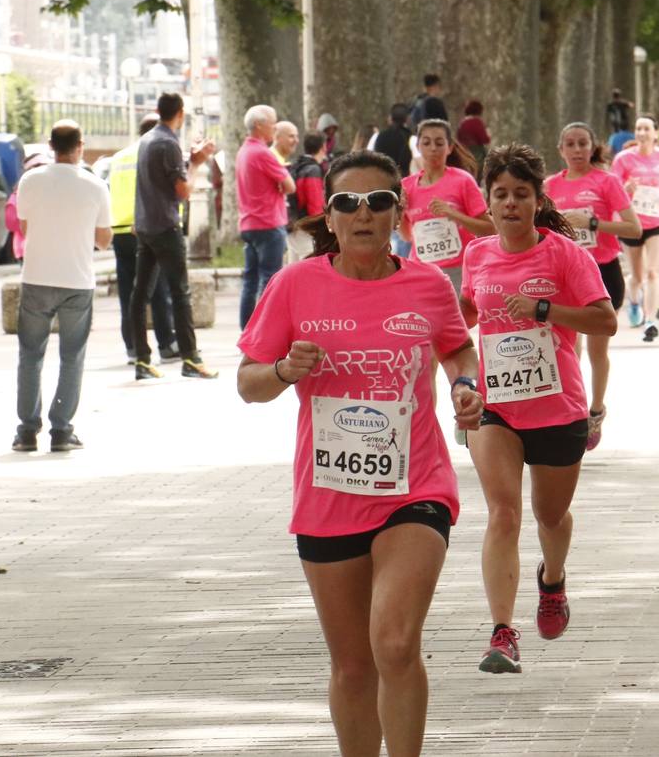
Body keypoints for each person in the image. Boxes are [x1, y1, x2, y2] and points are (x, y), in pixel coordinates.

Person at [237, 149, 483, 756]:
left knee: (394, 643)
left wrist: (464, 384)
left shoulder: (428, 284)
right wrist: (284, 370)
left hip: (415, 487)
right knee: (353, 666)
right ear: (329, 216)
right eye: (348, 202)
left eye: (379, 201)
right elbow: (248, 384)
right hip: (329, 496)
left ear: (399, 212)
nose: (363, 213)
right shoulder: (294, 285)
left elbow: (458, 348)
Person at [460, 143, 617, 673]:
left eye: (521, 194)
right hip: (496, 407)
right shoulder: (477, 254)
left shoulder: (564, 255)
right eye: (500, 194)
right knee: (503, 513)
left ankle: (552, 580)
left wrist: (544, 309)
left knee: (549, 515)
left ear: (537, 201)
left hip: (557, 408)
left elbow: (605, 320)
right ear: (487, 201)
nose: (510, 203)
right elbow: (466, 314)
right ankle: (502, 633)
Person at [12, 120, 113, 453]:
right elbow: (103, 240)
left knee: (30, 356)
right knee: (72, 357)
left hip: (36, 278)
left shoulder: (30, 180)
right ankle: (61, 430)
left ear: (50, 145)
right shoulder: (95, 185)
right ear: (80, 146)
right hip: (77, 280)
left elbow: (24, 228)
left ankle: (27, 431)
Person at [543, 122, 641, 451]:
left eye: (583, 143)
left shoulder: (606, 181)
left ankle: (596, 410)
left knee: (598, 350)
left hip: (602, 271)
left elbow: (634, 228)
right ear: (560, 150)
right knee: (568, 348)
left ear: (592, 146)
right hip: (564, 275)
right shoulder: (550, 186)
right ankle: (573, 410)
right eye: (570, 144)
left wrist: (593, 223)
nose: (577, 150)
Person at [129, 91, 218, 381]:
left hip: (145, 226)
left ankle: (142, 359)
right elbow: (183, 191)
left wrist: (190, 158)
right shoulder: (168, 143)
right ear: (180, 113)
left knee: (140, 294)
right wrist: (197, 163)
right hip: (165, 226)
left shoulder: (147, 139)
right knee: (180, 292)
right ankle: (191, 358)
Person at [106, 113, 179, 365]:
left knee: (129, 293)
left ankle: (133, 348)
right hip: (147, 227)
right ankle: (166, 344)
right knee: (158, 291)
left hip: (120, 230)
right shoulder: (153, 153)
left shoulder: (119, 157)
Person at [610, 115, 659, 342]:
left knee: (652, 272)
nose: (641, 133)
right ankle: (634, 303)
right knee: (637, 276)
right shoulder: (623, 158)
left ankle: (650, 321)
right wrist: (625, 188)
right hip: (631, 223)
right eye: (638, 128)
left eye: (646, 129)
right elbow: (612, 187)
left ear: (655, 133)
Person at [399, 119, 492, 292]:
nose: (433, 148)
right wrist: (400, 213)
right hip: (422, 272)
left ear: (449, 148)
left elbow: (490, 229)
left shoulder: (462, 181)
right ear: (418, 147)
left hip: (459, 271)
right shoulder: (406, 186)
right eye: (426, 143)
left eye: (439, 143)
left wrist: (454, 215)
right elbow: (406, 236)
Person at [236, 104, 295, 329]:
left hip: (249, 223)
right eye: (273, 123)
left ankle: (246, 330)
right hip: (268, 223)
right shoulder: (263, 153)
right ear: (259, 126)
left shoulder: (244, 151)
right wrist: (280, 183)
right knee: (270, 280)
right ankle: (263, 330)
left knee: (250, 281)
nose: (275, 127)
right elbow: (290, 186)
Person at [286, 132, 327, 263]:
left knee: (293, 266)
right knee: (310, 262)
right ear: (323, 147)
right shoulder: (313, 170)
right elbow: (315, 204)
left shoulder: (295, 166)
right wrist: (321, 227)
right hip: (305, 227)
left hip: (291, 225)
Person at [373, 103, 415, 177]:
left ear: (391, 118)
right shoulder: (410, 137)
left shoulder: (381, 135)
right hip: (404, 176)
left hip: (384, 175)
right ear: (406, 118)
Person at [456, 99, 491, 168]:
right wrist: (488, 133)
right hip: (476, 153)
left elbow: (458, 138)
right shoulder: (477, 121)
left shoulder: (463, 122)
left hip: (463, 152)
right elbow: (485, 139)